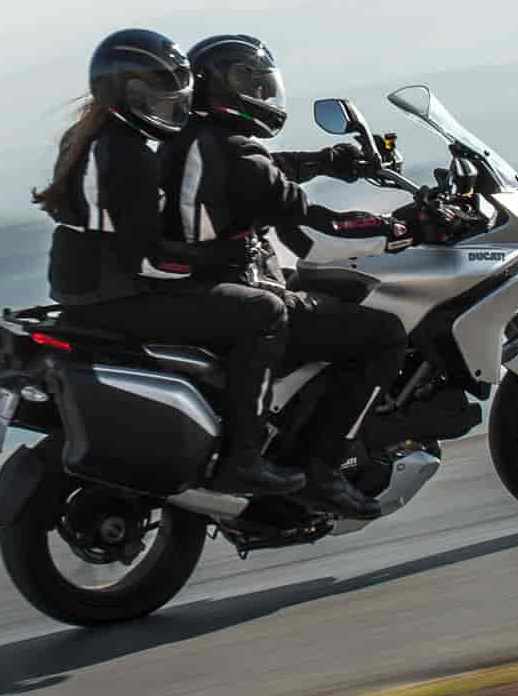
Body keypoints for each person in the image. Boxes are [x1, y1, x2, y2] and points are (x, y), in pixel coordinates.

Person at [33, 28, 305, 496]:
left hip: (82, 291)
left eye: (172, 90)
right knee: (265, 312)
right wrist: (220, 257)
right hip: (120, 296)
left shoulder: (88, 138)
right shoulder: (130, 156)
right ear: (121, 90)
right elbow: (150, 259)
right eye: (154, 93)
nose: (167, 102)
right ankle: (244, 460)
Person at [160, 33, 410, 521]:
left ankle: (294, 426)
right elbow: (316, 229)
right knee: (383, 334)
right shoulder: (233, 151)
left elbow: (267, 172)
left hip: (200, 286)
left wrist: (325, 162)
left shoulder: (192, 141)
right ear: (228, 89)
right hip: (236, 289)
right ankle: (323, 469)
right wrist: (402, 227)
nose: (264, 94)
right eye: (254, 85)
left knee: (327, 293)